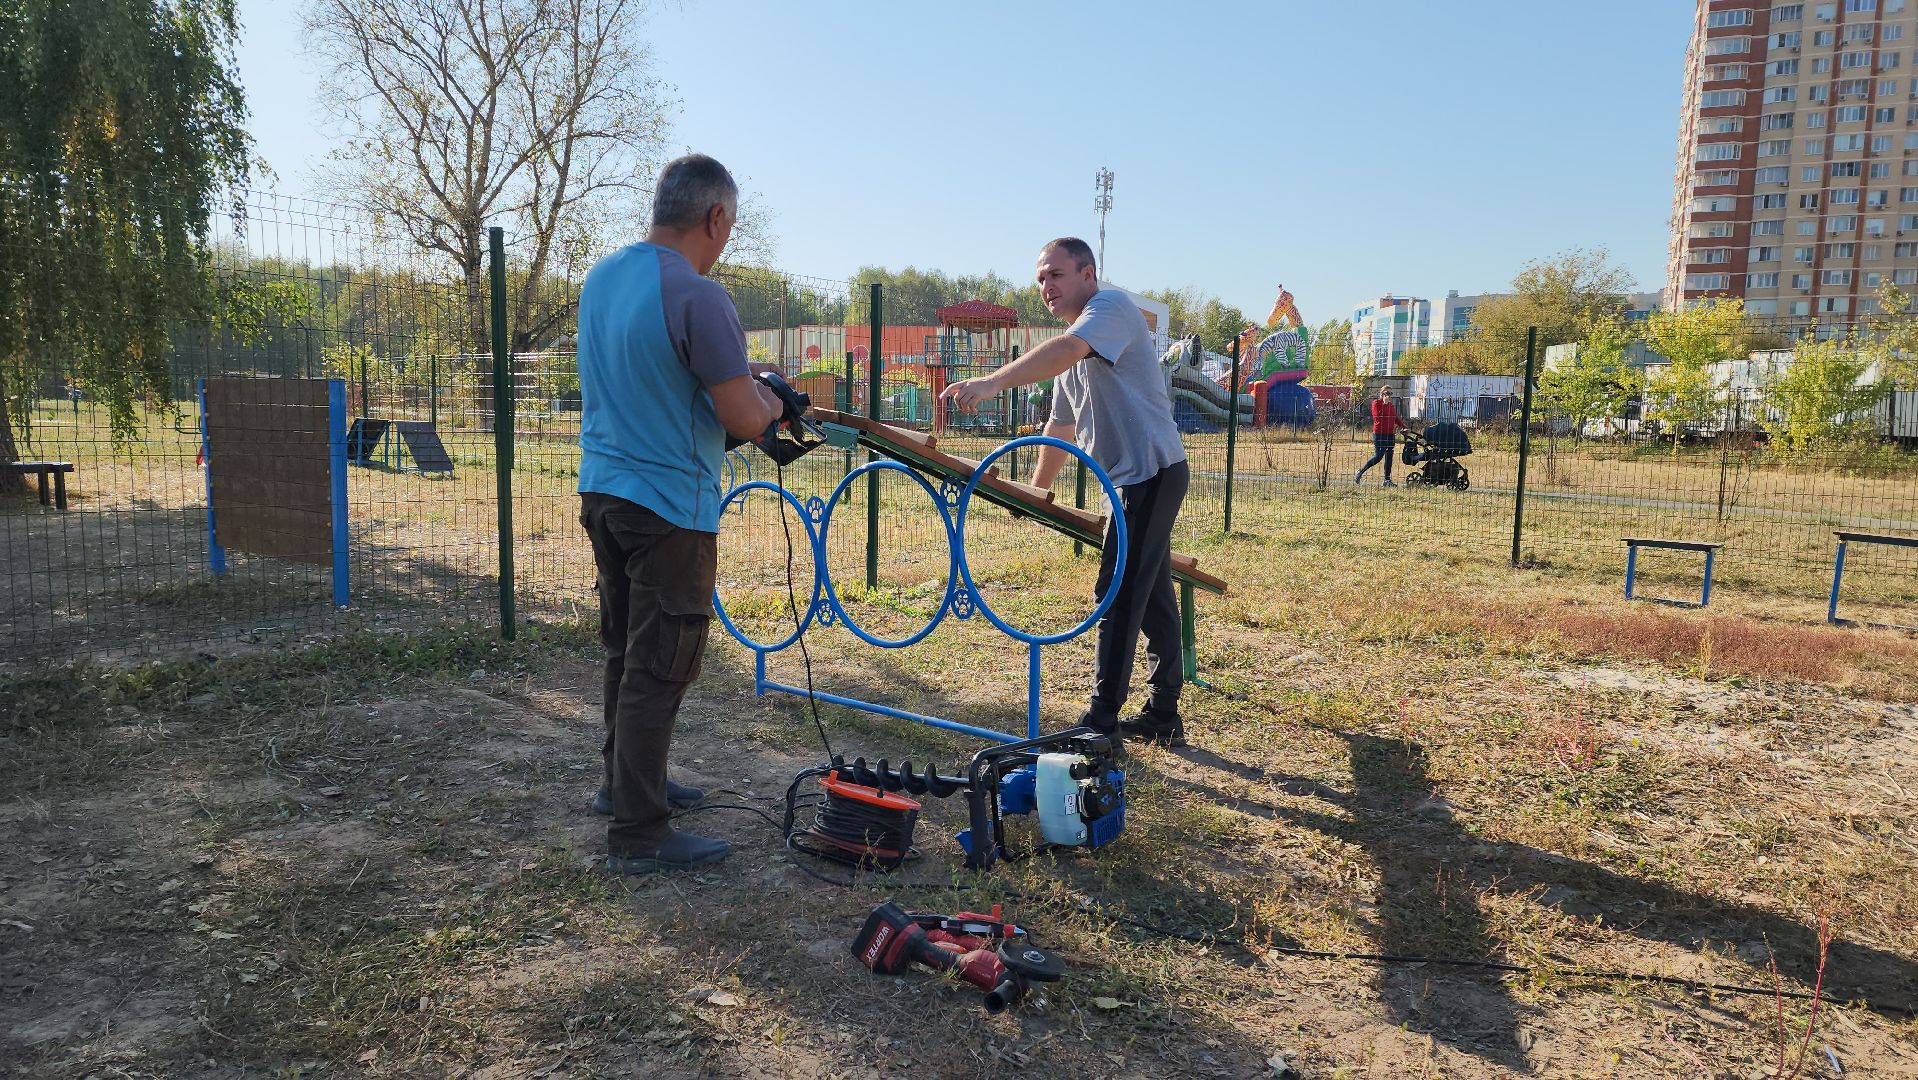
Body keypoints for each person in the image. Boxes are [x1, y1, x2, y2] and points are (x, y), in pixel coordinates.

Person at [575, 153, 785, 874]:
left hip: (602, 491)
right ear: (716, 217)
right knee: (661, 668)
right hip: (670, 506)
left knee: (626, 654)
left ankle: (624, 786)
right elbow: (743, 417)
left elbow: (655, 379)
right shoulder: (699, 296)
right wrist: (776, 400)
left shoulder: (602, 279)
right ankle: (640, 832)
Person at [940, 238, 1190, 747]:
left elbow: (1066, 350)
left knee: (1118, 594)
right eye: (1040, 279)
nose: (1045, 287)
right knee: (1155, 596)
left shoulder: (1111, 309)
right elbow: (1059, 429)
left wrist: (989, 383)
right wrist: (1034, 492)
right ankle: (1164, 712)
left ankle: (1101, 723)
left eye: (1055, 274)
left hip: (1152, 473)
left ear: (1088, 275)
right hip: (1125, 483)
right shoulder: (1072, 350)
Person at [1356, 386, 1413, 487]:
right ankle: (1360, 472)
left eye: (1390, 393)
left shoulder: (1391, 405)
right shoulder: (1376, 403)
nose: (1389, 395)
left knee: (1389, 456)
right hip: (1379, 434)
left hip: (1390, 434)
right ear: (1382, 394)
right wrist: (1384, 404)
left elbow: (1395, 418)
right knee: (1378, 456)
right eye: (1387, 393)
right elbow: (1377, 417)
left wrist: (1404, 427)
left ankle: (1387, 480)